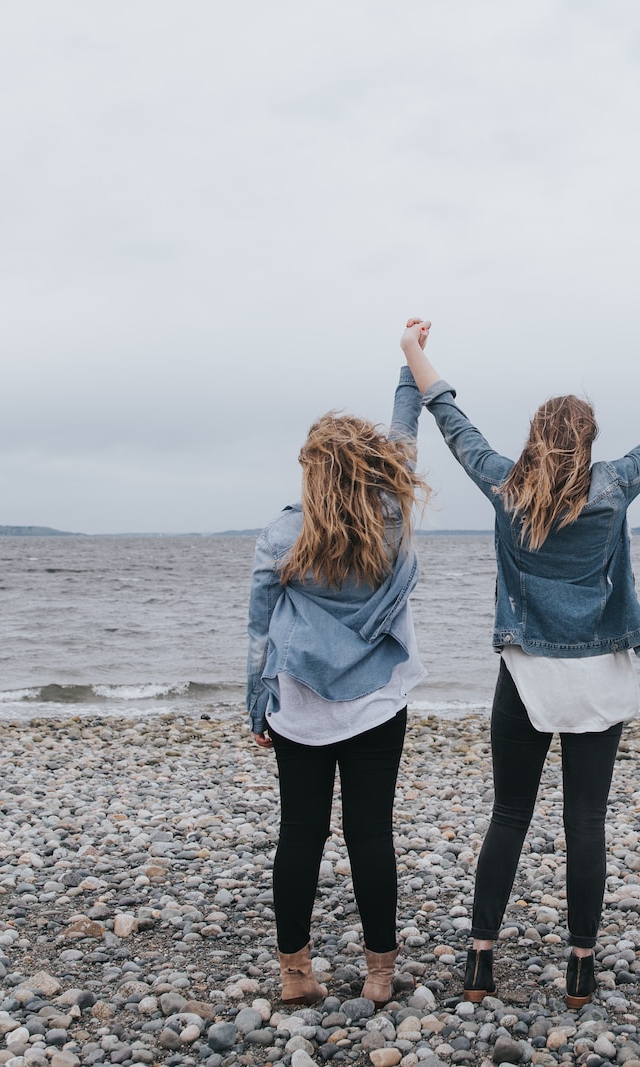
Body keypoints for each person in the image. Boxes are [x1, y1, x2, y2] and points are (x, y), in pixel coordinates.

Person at [400, 322, 640, 1007]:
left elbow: (454, 424)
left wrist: (413, 351)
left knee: (509, 813)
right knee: (585, 822)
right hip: (598, 675)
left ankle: (481, 959)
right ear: (590, 440)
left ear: (535, 438)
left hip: (524, 676)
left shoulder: (506, 486)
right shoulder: (615, 485)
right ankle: (579, 967)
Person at [244, 319, 433, 1008]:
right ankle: (380, 974)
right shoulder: (388, 514)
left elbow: (259, 626)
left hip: (300, 702)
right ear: (369, 467)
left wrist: (256, 699)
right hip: (377, 697)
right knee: (370, 832)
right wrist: (408, 363)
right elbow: (405, 432)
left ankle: (296, 973)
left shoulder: (284, 531)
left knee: (301, 832)